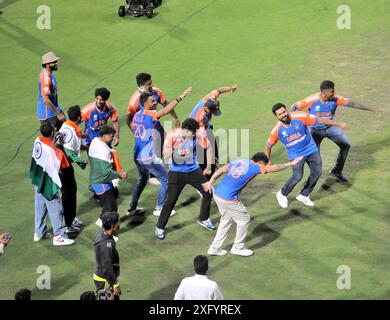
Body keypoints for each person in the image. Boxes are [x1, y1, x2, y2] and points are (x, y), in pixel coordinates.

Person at [204, 153, 303, 257]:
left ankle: (214, 248)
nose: (265, 167)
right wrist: (291, 163)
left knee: (226, 220)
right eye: (264, 165)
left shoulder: (239, 162)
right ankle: (238, 247)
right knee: (244, 219)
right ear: (260, 162)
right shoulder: (255, 167)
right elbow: (274, 168)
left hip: (218, 194)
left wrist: (210, 182)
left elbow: (221, 170)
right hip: (228, 198)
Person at [291, 80, 384, 182]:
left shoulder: (336, 99)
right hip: (314, 130)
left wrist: (372, 109)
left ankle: (337, 172)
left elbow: (352, 103)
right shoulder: (311, 100)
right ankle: (302, 176)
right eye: (332, 91)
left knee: (345, 145)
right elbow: (294, 106)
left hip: (330, 127)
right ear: (324, 92)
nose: (334, 93)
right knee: (314, 156)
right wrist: (293, 125)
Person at [265, 103, 348, 208]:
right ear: (276, 117)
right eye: (280, 114)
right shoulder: (276, 130)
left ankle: (304, 194)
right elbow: (268, 145)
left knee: (317, 172)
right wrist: (267, 159)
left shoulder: (301, 116)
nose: (283, 115)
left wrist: (338, 124)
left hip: (311, 149)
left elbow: (319, 120)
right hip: (296, 155)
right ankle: (282, 193)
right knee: (297, 176)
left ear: (287, 110)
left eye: (284, 112)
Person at [129, 87, 192, 217]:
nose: (155, 102)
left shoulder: (136, 116)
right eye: (152, 101)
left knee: (142, 179)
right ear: (145, 104)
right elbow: (166, 110)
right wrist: (181, 96)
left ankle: (133, 207)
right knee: (165, 178)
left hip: (137, 155)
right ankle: (159, 208)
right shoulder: (150, 114)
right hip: (147, 157)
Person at [155, 118, 215, 240]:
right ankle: (160, 227)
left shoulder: (197, 134)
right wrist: (176, 147)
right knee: (171, 200)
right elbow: (164, 156)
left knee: (208, 192)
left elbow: (209, 147)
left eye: (195, 133)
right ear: (185, 130)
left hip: (193, 170)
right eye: (192, 133)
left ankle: (203, 218)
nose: (194, 135)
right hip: (176, 172)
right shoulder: (172, 136)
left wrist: (208, 166)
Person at [126, 72, 180, 186]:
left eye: (151, 83)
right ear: (141, 86)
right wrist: (137, 133)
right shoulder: (135, 100)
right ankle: (152, 176)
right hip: (145, 133)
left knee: (168, 146)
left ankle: (173, 168)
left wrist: (175, 117)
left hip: (157, 127)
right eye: (149, 84)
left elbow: (166, 104)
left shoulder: (156, 92)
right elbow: (128, 119)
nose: (152, 85)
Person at [29, 123, 75, 246]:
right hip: (48, 183)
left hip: (38, 178)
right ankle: (59, 236)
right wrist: (60, 146)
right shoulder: (54, 151)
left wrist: (54, 142)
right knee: (56, 207)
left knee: (40, 205)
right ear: (52, 133)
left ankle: (39, 233)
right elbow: (64, 165)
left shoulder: (37, 140)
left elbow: (47, 147)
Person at [190, 85, 238, 180]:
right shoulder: (199, 118)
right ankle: (203, 178)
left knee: (212, 146)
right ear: (207, 109)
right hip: (195, 132)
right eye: (213, 111)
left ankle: (213, 163)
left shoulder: (209, 99)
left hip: (206, 127)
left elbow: (218, 90)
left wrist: (230, 88)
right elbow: (203, 138)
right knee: (203, 154)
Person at [88, 126, 127, 227]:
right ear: (104, 136)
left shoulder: (95, 141)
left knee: (114, 196)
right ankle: (106, 233)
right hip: (101, 183)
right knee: (111, 209)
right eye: (111, 136)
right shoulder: (105, 152)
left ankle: (101, 221)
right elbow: (106, 173)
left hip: (96, 179)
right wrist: (120, 174)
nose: (112, 138)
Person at [58, 105, 88, 233]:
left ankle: (72, 218)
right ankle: (67, 225)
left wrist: (85, 147)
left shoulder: (67, 125)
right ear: (79, 117)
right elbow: (69, 151)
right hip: (62, 166)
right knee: (67, 194)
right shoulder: (71, 132)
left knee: (72, 191)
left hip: (66, 165)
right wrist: (82, 160)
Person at [93, 212, 121, 300]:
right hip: (105, 280)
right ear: (112, 226)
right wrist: (115, 284)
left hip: (103, 277)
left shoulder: (104, 230)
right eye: (118, 222)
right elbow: (107, 268)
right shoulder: (106, 245)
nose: (119, 224)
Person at [37, 51, 66, 130]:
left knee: (66, 130)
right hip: (48, 114)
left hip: (55, 109)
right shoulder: (46, 78)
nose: (56, 63)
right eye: (54, 62)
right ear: (47, 64)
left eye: (56, 61)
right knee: (52, 138)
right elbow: (45, 99)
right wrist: (58, 113)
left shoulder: (50, 75)